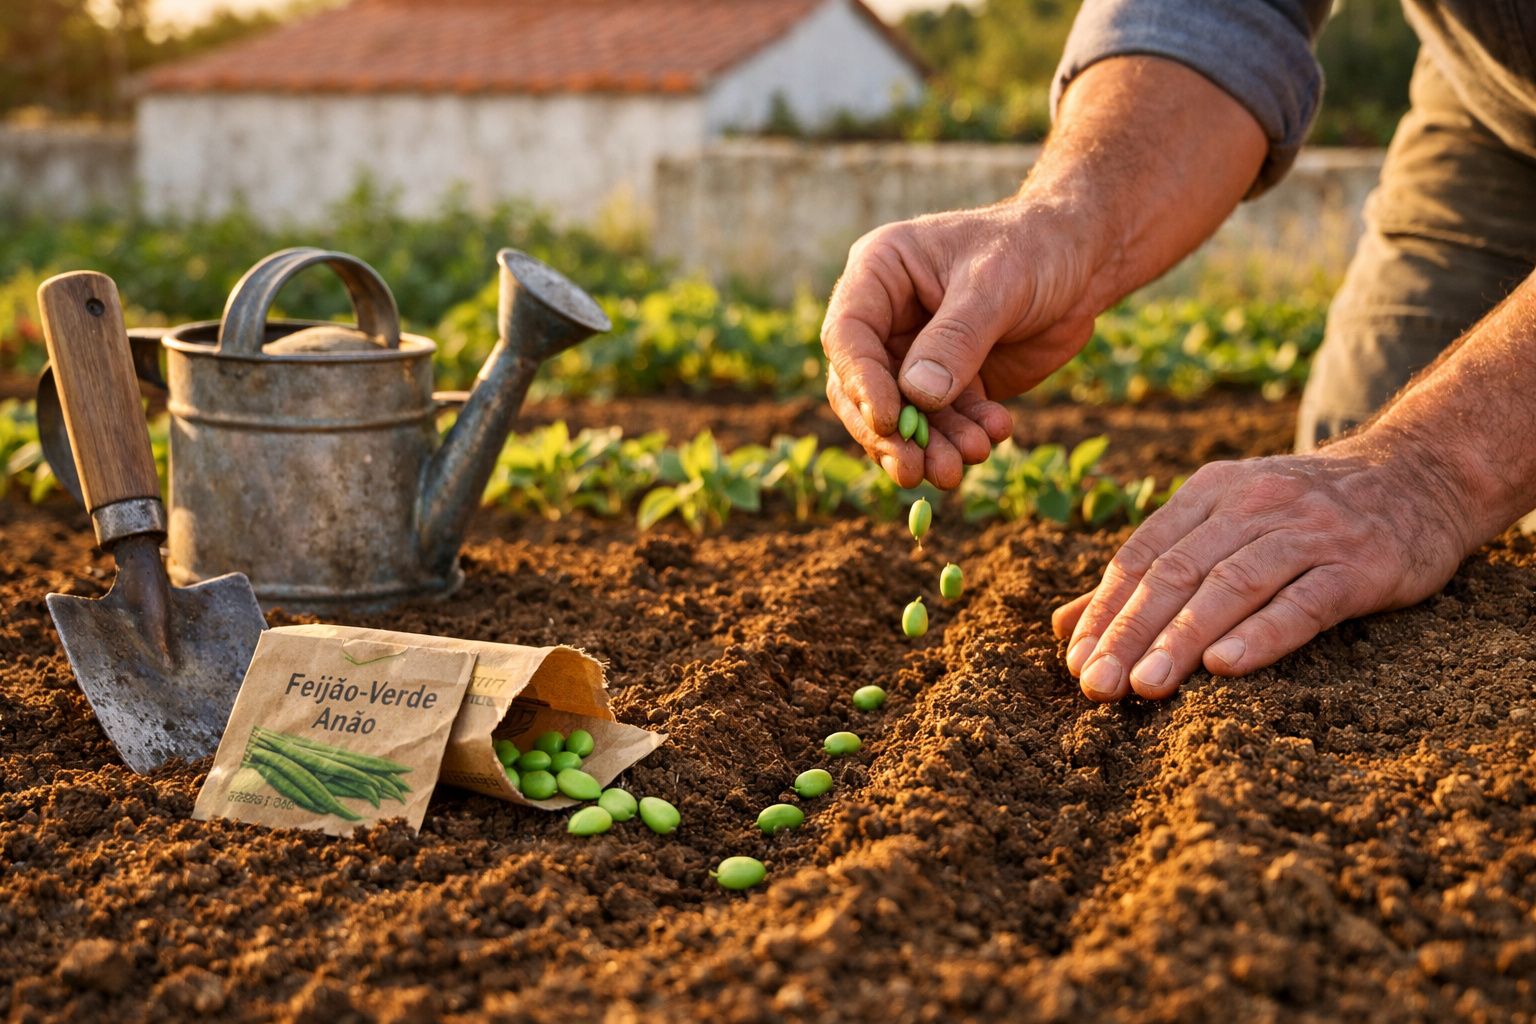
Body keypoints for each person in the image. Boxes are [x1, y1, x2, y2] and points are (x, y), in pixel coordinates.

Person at [820, 1, 1536, 703]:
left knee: (1414, 488)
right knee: (1343, 474)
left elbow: (1427, 469)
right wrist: (1069, 223)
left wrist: (1431, 469)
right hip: (1497, 95)